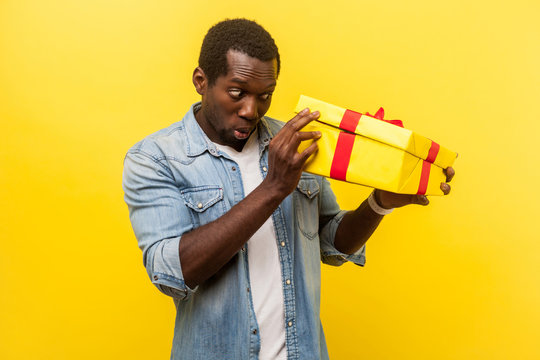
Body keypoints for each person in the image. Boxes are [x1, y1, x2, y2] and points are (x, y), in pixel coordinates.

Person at [122, 18, 454, 360]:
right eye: (237, 93)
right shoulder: (155, 159)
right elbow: (173, 272)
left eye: (264, 96)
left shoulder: (294, 142)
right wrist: (273, 188)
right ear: (201, 81)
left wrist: (380, 203)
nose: (251, 110)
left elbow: (331, 242)